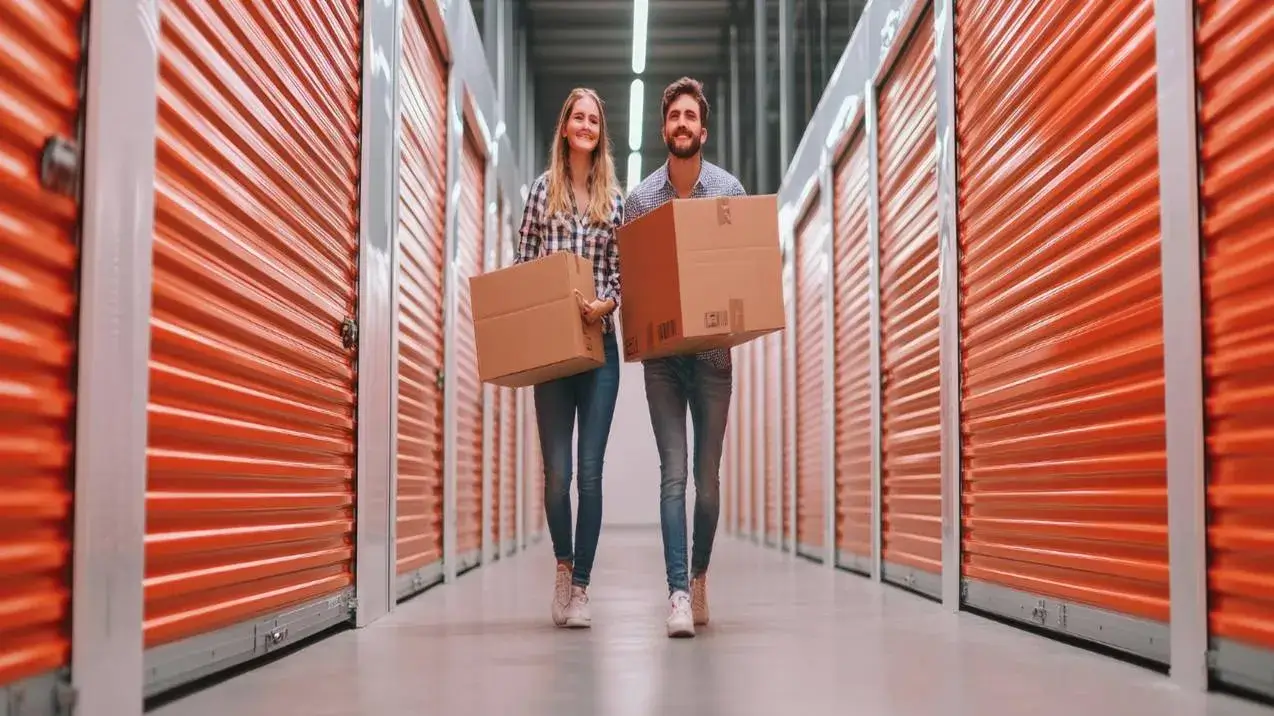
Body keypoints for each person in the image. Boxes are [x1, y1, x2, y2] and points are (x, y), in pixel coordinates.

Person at [622, 77, 746, 638]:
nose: (682, 124)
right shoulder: (641, 200)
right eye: (674, 116)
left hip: (714, 361)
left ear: (704, 128)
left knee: (707, 481)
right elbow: (634, 282)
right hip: (665, 363)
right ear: (663, 127)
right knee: (673, 475)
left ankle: (699, 575)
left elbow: (744, 272)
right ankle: (676, 593)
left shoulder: (729, 192)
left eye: (690, 116)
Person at [516, 87, 624, 629]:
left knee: (590, 473)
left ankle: (581, 587)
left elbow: (625, 274)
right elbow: (522, 264)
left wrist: (607, 303)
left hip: (600, 347)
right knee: (557, 473)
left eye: (594, 120)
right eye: (578, 117)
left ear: (600, 133)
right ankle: (563, 564)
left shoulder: (614, 200)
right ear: (565, 128)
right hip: (552, 348)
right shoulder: (541, 193)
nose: (586, 125)